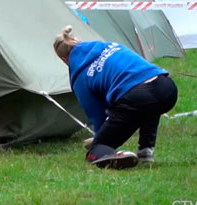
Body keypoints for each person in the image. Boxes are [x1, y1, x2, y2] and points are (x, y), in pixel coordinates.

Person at [53, 25, 178, 169]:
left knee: (97, 148)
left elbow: (96, 114)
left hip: (138, 97)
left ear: (64, 59)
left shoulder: (80, 77)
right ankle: (146, 151)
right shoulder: (110, 46)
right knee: (149, 105)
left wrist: (99, 139)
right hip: (166, 87)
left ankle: (117, 155)